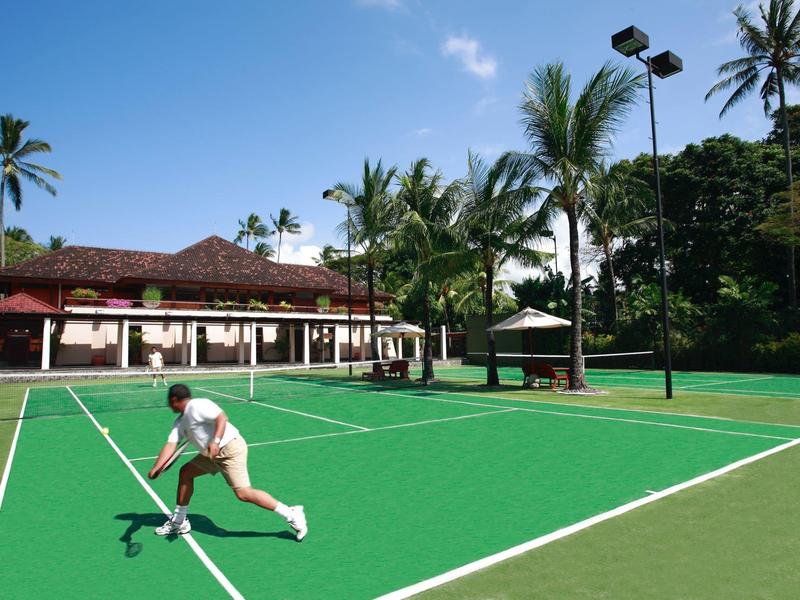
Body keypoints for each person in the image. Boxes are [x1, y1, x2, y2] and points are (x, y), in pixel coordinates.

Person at [148, 384, 308, 541]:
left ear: (174, 399)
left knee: (244, 493)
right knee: (186, 472)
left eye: (169, 402)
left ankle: (292, 514)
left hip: (230, 448)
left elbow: (221, 417)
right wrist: (157, 467)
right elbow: (171, 445)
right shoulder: (180, 422)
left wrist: (215, 441)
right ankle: (179, 521)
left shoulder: (198, 405)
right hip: (210, 455)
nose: (169, 405)